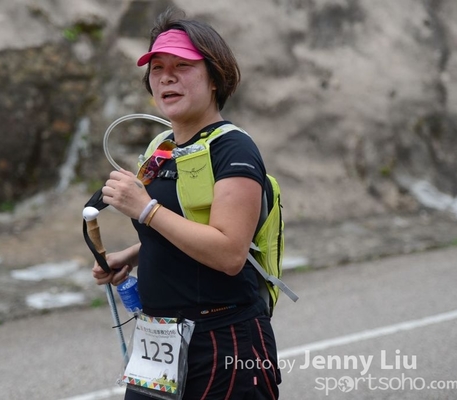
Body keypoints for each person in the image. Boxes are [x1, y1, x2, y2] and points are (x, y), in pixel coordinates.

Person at [92, 7, 281, 400]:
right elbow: (184, 227)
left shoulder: (233, 148)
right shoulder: (161, 149)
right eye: (157, 68)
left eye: (182, 65)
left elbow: (229, 252)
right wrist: (134, 254)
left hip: (224, 339)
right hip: (159, 338)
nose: (167, 77)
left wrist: (146, 210)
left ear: (214, 78)